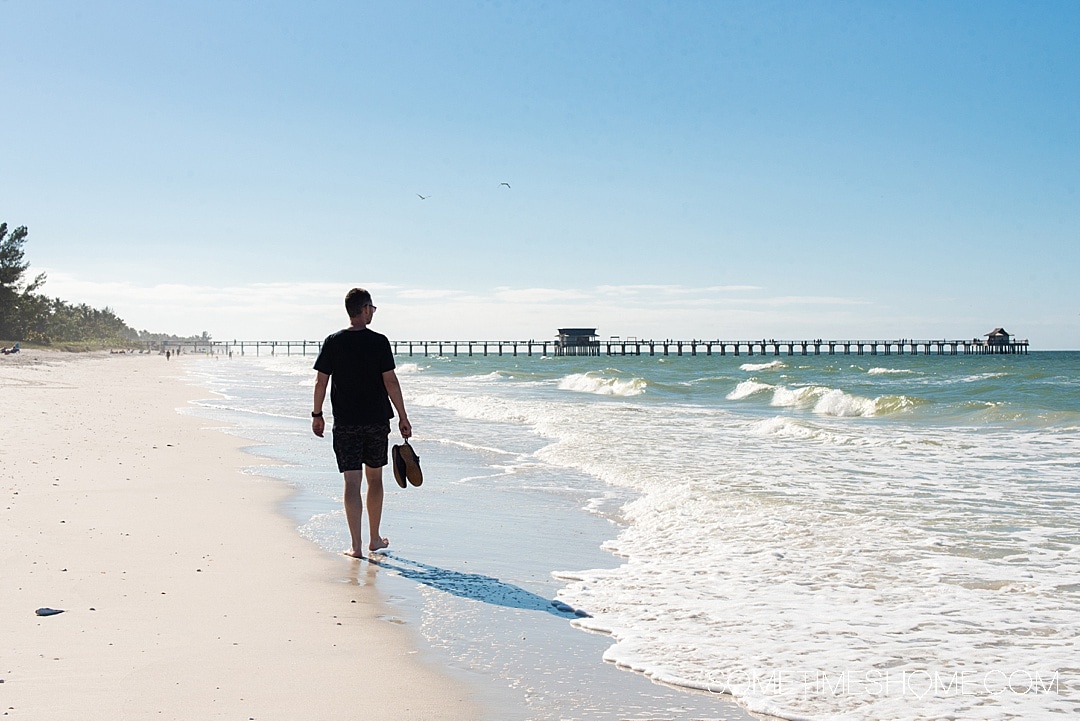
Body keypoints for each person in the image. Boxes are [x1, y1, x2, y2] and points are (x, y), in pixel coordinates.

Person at [311, 288, 412, 558]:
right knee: (375, 479)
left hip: (345, 423)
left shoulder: (333, 341)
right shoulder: (379, 342)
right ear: (365, 308)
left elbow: (321, 381)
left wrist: (317, 414)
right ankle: (374, 539)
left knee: (351, 482)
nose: (373, 313)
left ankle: (356, 547)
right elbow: (390, 381)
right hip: (376, 421)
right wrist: (403, 416)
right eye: (373, 308)